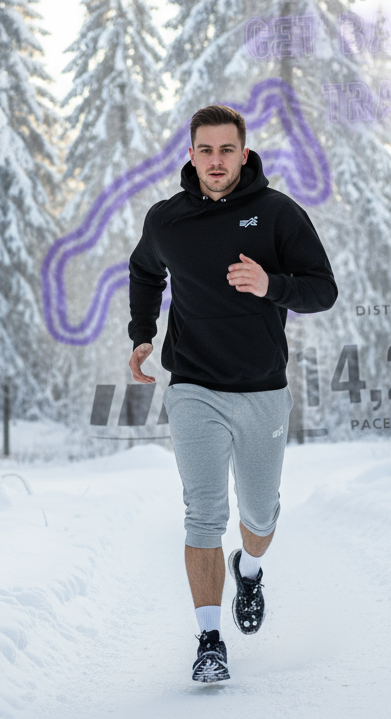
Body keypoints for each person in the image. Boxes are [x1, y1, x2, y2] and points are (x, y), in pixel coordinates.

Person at [127, 104, 337, 683]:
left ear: (243, 154)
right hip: (193, 384)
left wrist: (272, 285)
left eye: (226, 150)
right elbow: (144, 270)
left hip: (262, 389)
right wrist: (142, 335)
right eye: (205, 150)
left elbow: (323, 290)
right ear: (190, 154)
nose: (215, 161)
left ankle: (250, 568)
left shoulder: (276, 214)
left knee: (258, 518)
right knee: (203, 514)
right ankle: (209, 640)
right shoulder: (166, 221)